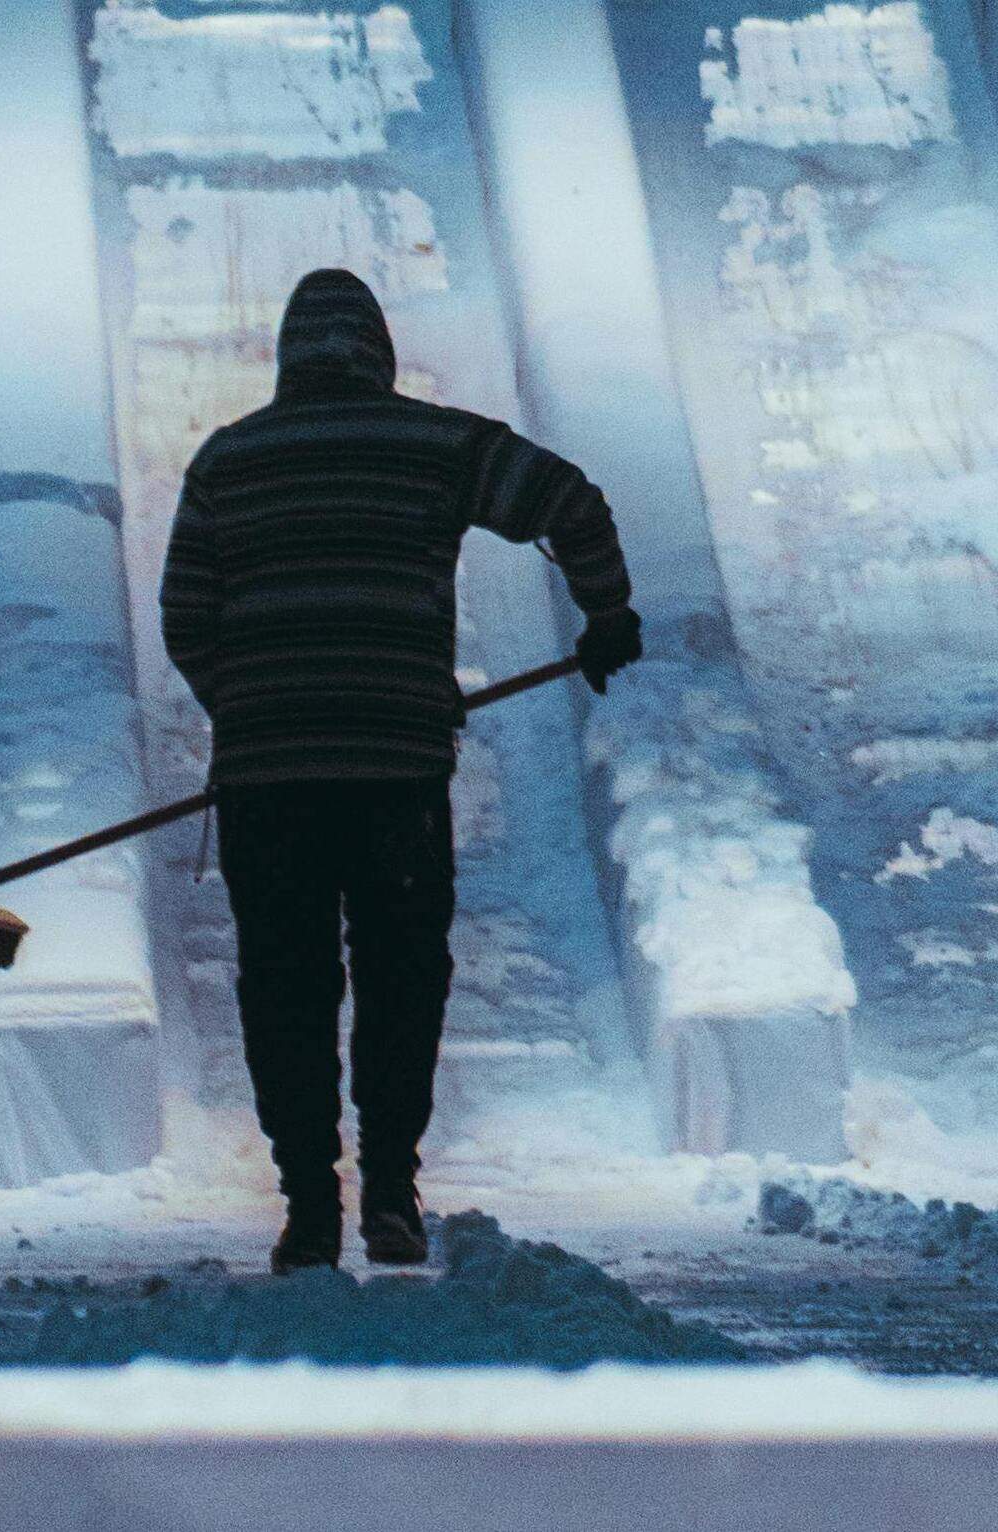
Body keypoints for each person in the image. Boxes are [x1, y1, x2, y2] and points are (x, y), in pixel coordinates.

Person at [158, 268, 643, 1273]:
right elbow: (570, 500)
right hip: (397, 767)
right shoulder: (440, 444)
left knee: (285, 981)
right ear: (377, 352)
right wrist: (605, 613)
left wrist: (250, 704)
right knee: (399, 973)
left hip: (271, 778)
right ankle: (390, 1192)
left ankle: (305, 1206)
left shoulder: (227, 460)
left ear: (288, 357)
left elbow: (184, 614)